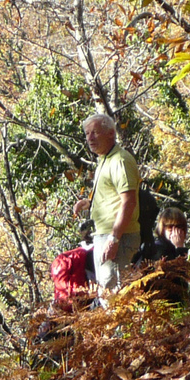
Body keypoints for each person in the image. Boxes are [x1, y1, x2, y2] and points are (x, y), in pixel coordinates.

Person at [73, 113, 141, 300]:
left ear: (111, 133)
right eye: (87, 134)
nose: (90, 138)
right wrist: (88, 203)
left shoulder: (120, 160)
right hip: (104, 236)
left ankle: (118, 331)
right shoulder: (104, 159)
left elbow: (129, 201)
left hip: (120, 237)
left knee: (114, 299)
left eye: (95, 132)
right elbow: (113, 196)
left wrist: (114, 239)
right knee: (106, 295)